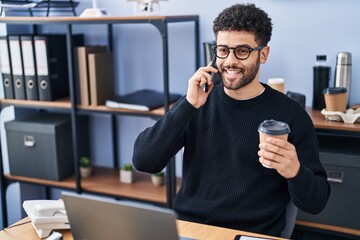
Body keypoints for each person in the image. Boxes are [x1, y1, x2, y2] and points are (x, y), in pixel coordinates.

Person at [132, 3, 330, 237]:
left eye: (242, 51)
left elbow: (316, 202)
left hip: (250, 234)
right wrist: (187, 105)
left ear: (263, 54)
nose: (229, 61)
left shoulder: (292, 115)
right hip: (191, 230)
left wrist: (295, 171)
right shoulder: (197, 103)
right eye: (223, 50)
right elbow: (143, 161)